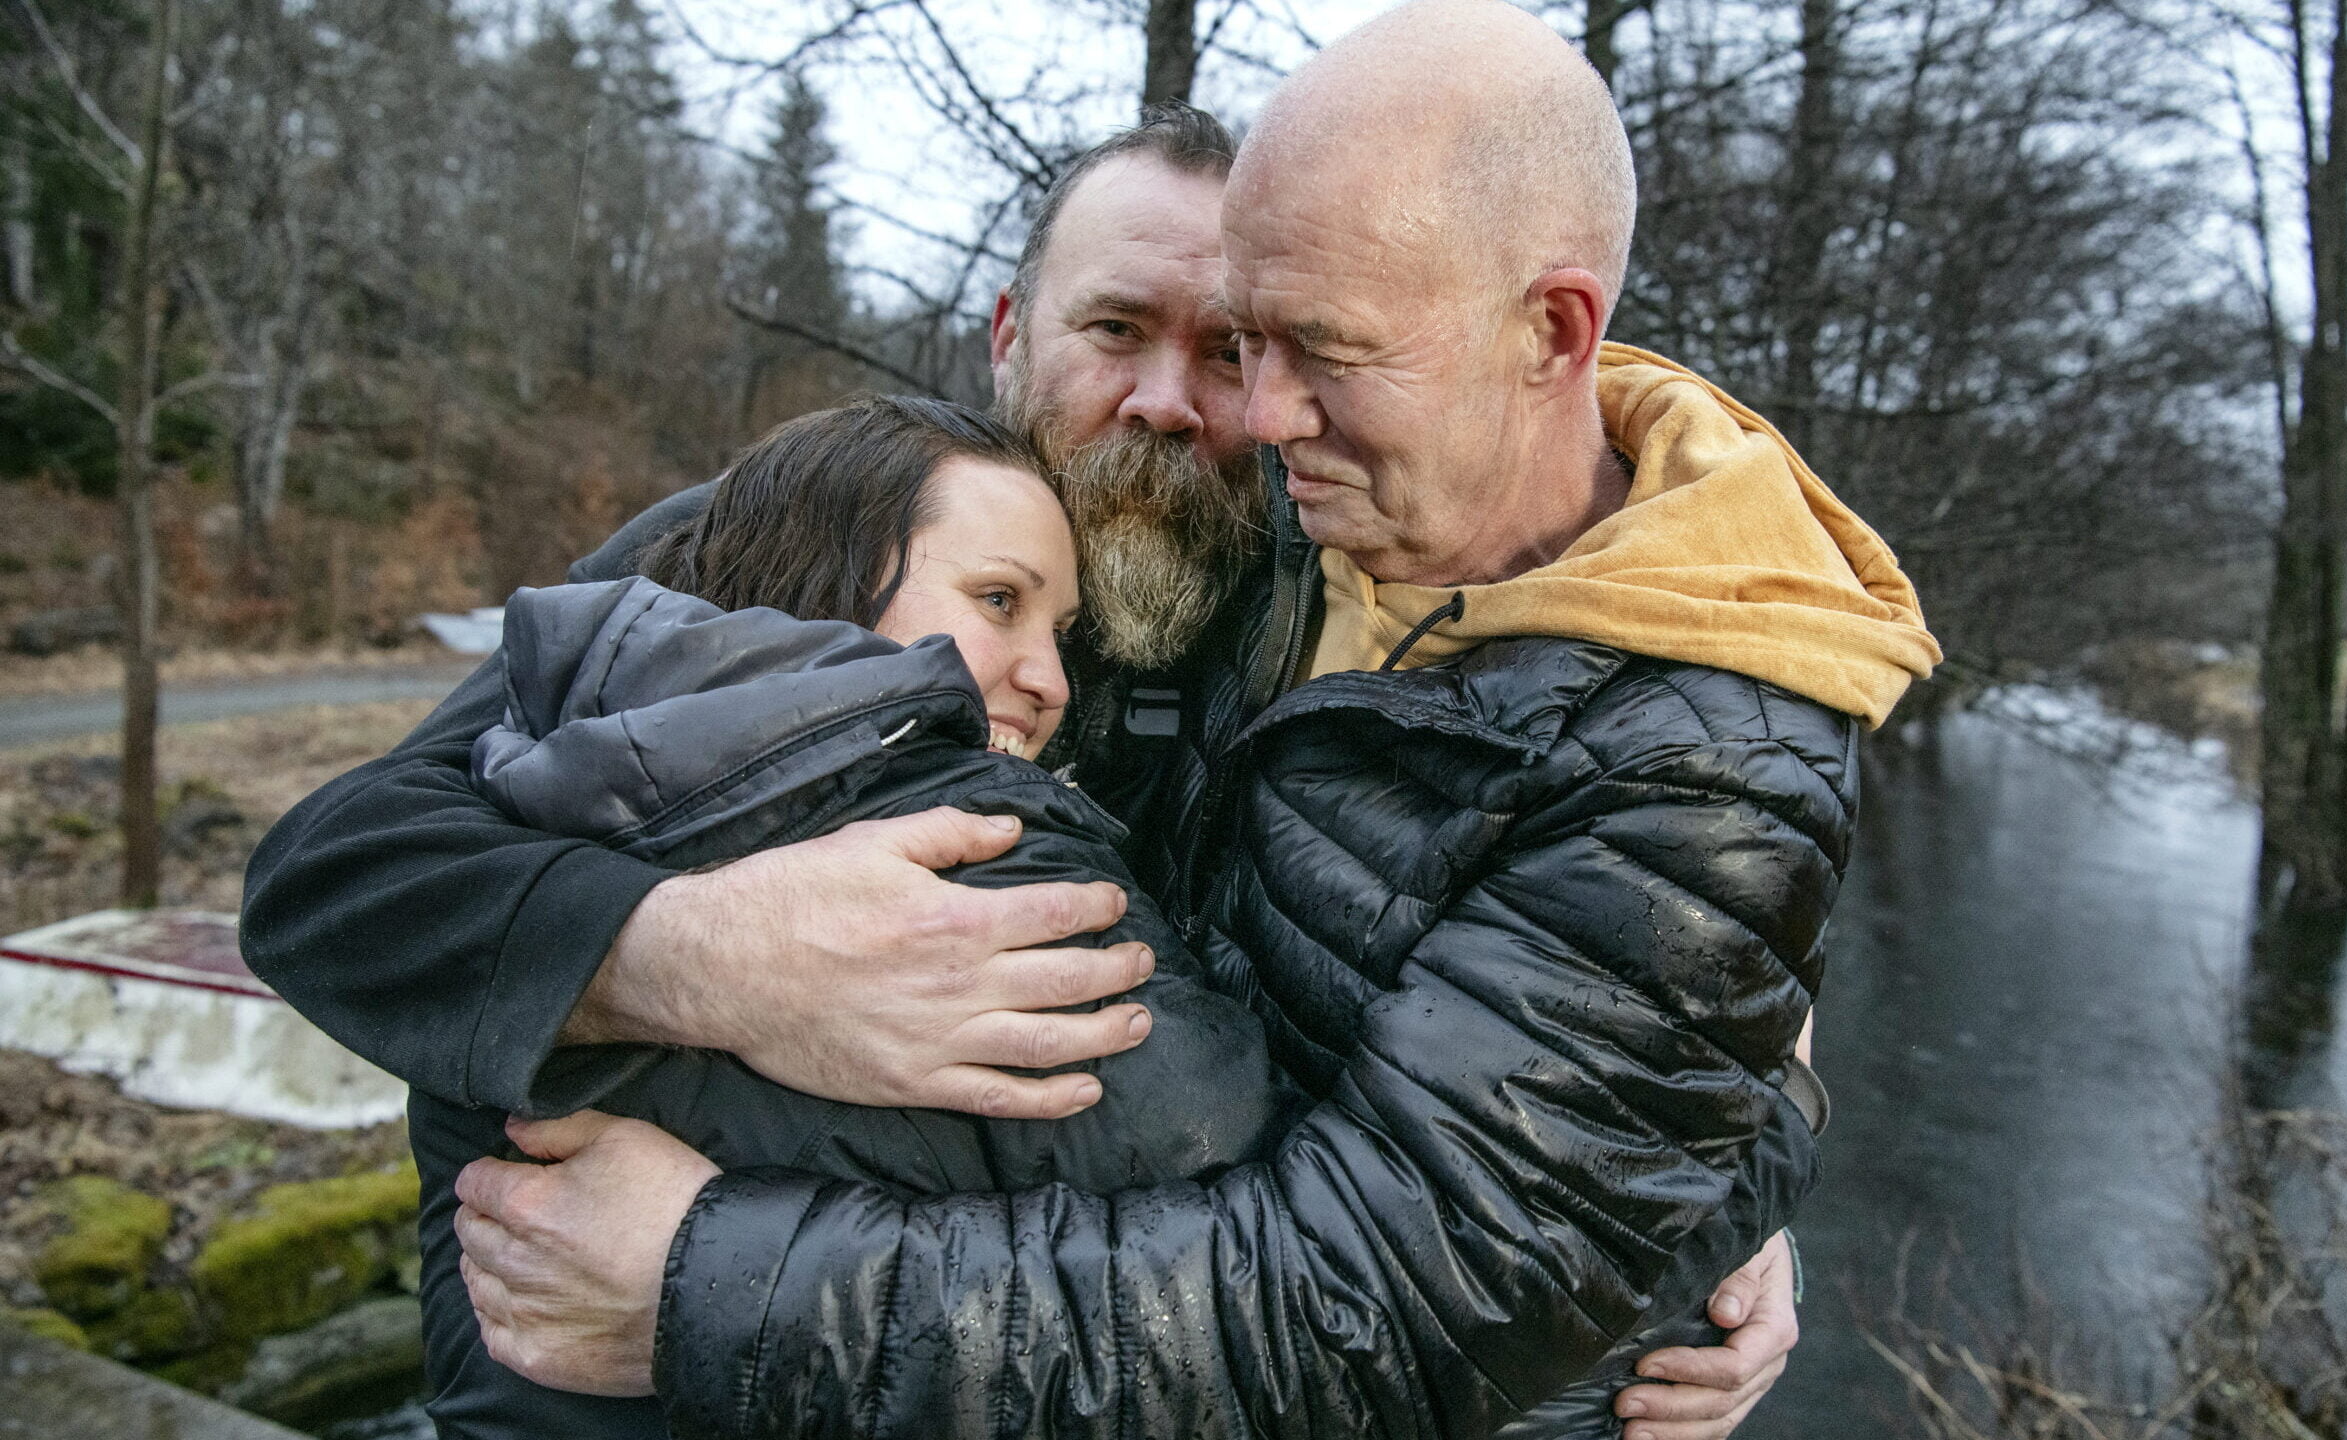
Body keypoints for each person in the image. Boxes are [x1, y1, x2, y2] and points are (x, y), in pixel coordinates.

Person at [241, 67, 1833, 1440]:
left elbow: (1465, 1070)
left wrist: (1664, 1192)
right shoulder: (787, 550)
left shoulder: (1313, 606)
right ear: (1010, 333)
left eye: (1230, 350)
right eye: (1114, 329)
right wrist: (699, 958)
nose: (1168, 402)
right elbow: (334, 881)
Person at [407, 395, 1299, 1436]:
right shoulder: (976, 844)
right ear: (824, 574)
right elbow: (1233, 1195)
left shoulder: (522, 804)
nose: (1051, 680)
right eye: (999, 601)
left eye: (1060, 632)